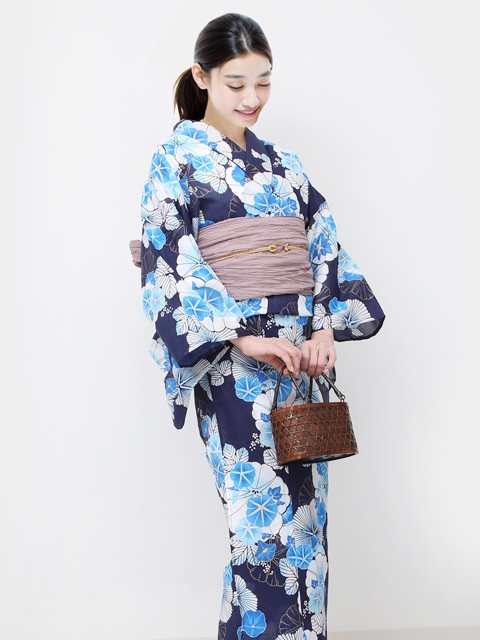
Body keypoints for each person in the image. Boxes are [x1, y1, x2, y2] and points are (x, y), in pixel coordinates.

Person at [136, 12, 385, 640]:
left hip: (297, 361)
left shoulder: (285, 164)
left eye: (264, 82)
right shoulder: (177, 158)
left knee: (306, 525)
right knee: (259, 527)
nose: (252, 98)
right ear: (202, 77)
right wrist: (242, 335)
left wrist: (324, 328)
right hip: (234, 365)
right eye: (236, 83)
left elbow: (322, 245)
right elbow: (170, 256)